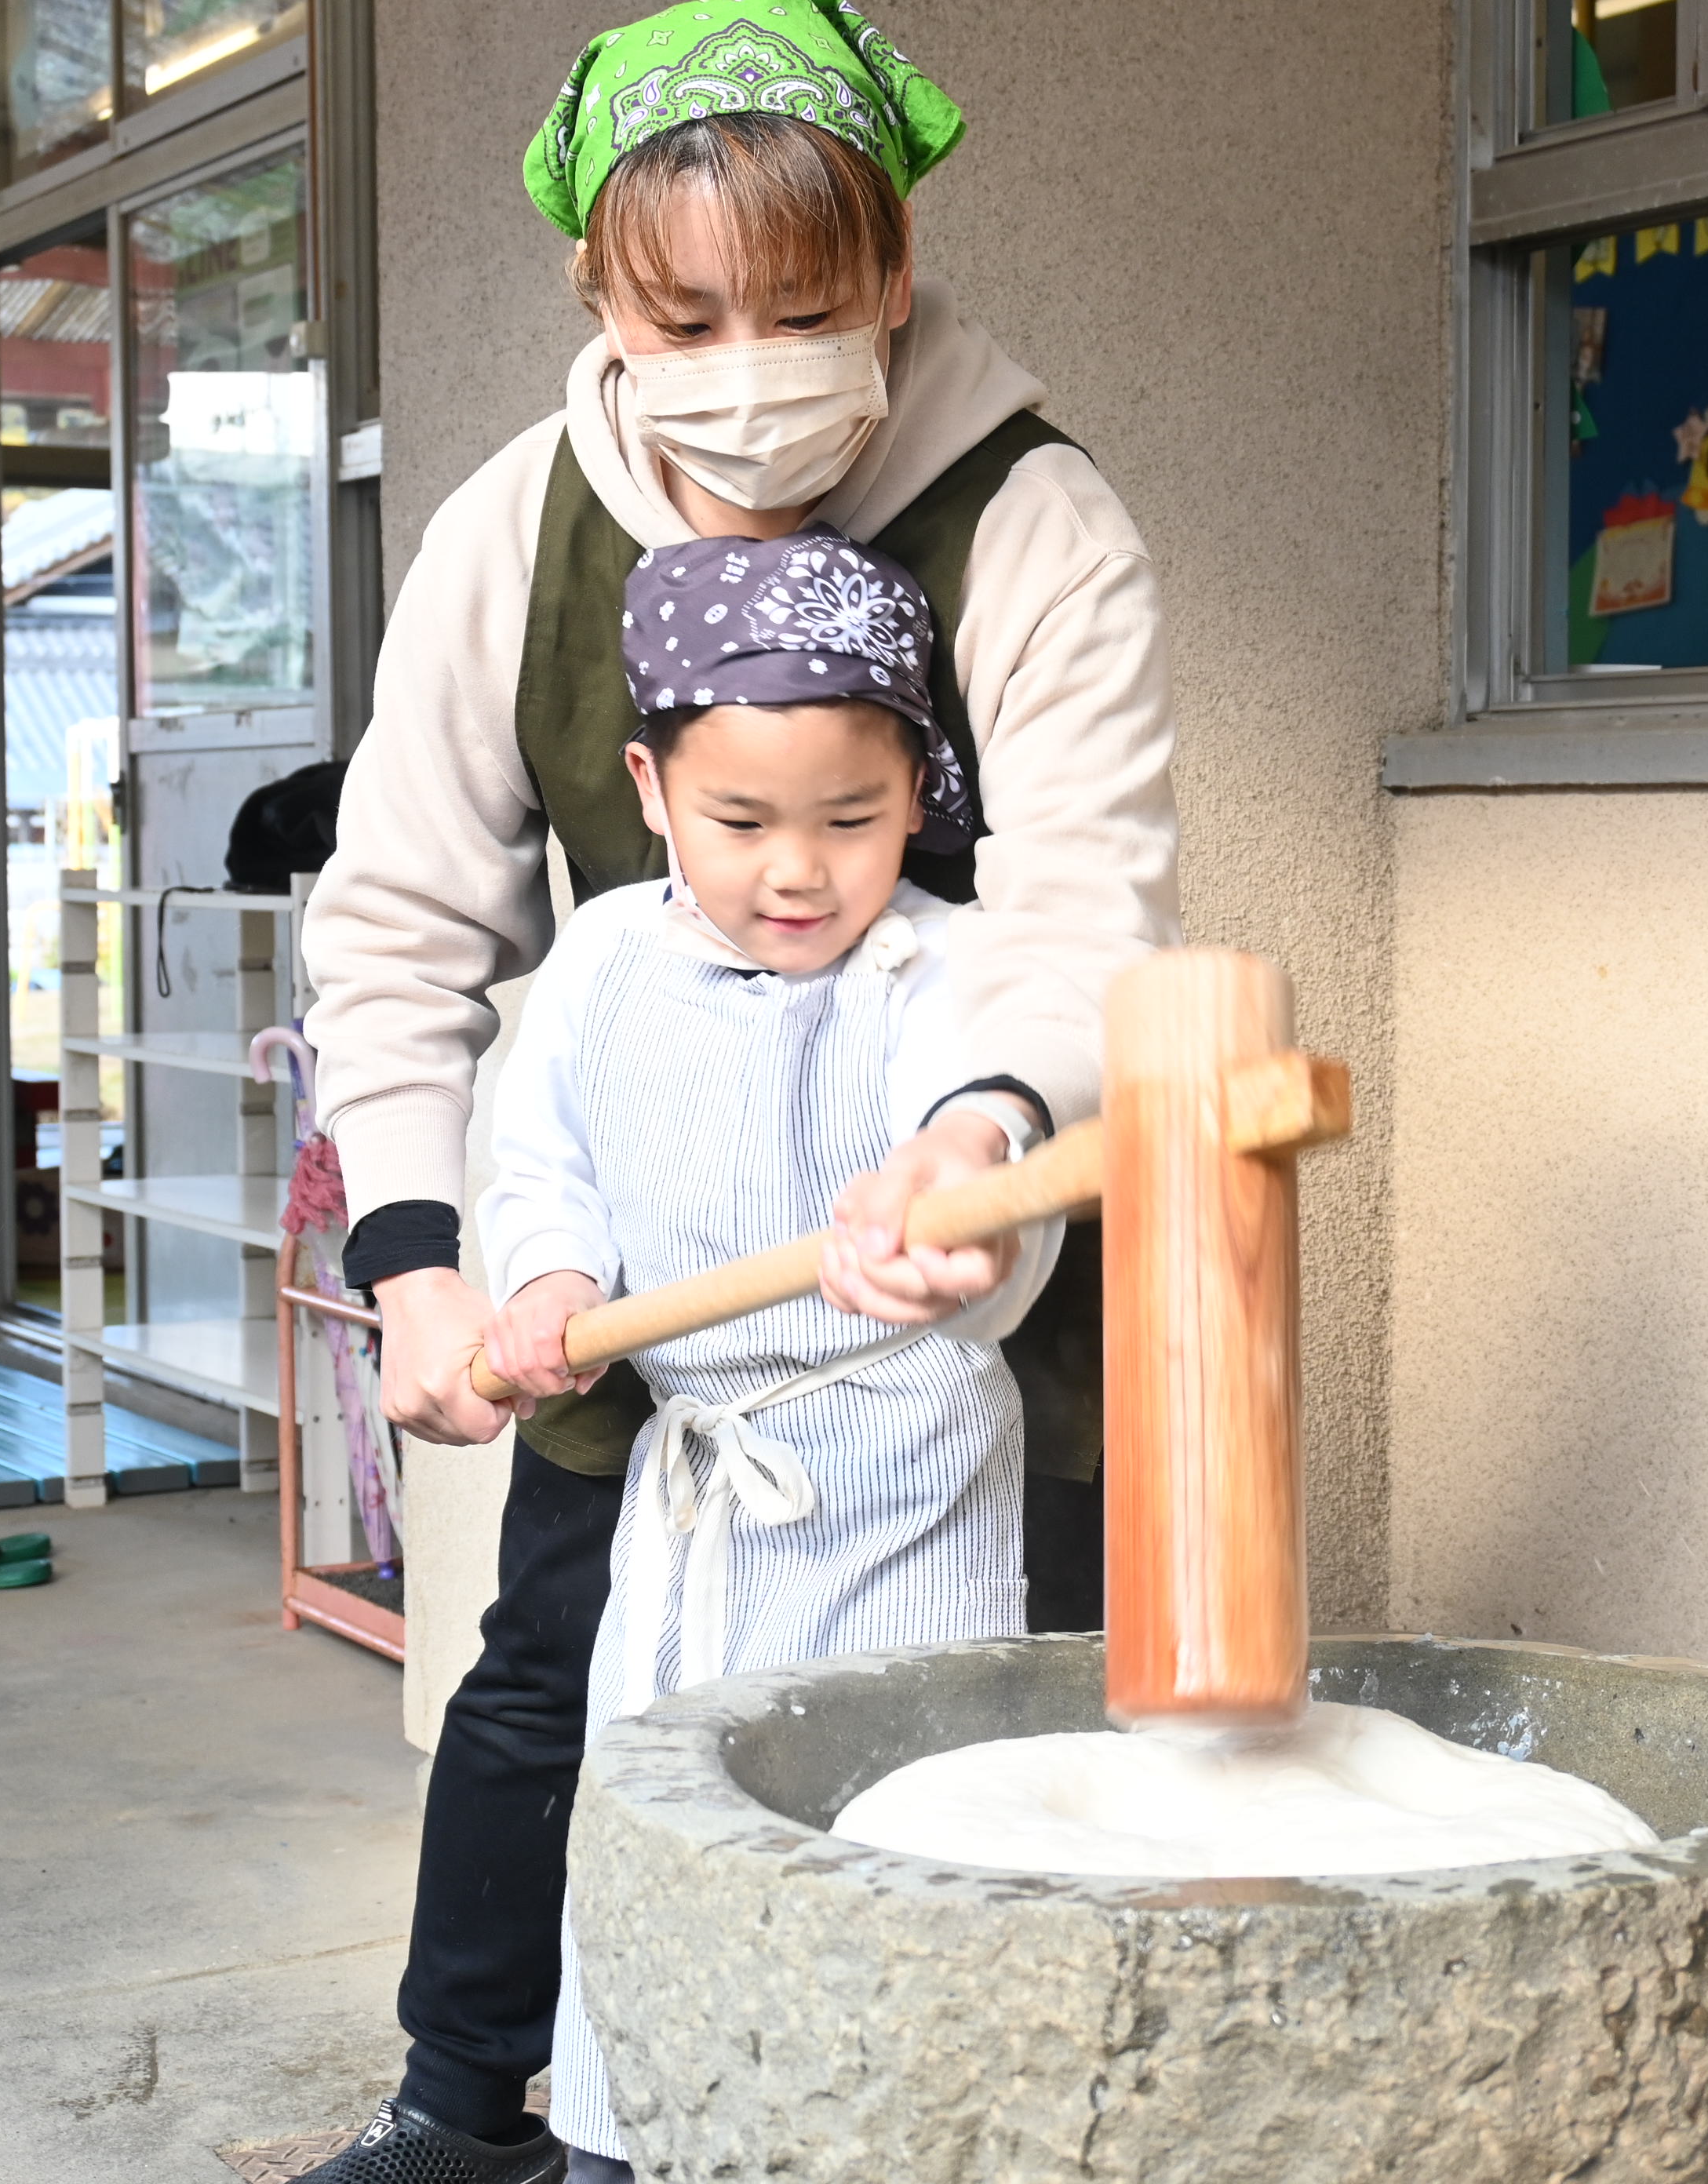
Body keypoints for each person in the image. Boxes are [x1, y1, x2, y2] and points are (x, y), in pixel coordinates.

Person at [295, 6, 1177, 2180]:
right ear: (601, 292)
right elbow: (405, 929)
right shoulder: (519, 536)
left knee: (1002, 1703)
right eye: (685, 311)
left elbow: (1085, 909)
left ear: (892, 268)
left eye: (803, 302)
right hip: (658, 1245)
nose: (747, 356)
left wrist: (972, 1142)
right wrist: (422, 1265)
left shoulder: (1034, 517)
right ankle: (471, 2102)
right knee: (556, 1666)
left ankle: (972, 2125)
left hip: (973, 1241)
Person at [494, 528, 1051, 2182]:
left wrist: (960, 1231)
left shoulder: (942, 970)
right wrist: (545, 1284)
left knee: (894, 1828)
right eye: (742, 823)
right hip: (699, 1501)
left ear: (919, 794)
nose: (796, 871)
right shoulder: (600, 959)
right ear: (653, 789)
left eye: (851, 822)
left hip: (906, 1477)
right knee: (661, 1836)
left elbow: (992, 1162)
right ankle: (631, 2148)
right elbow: (546, 1170)